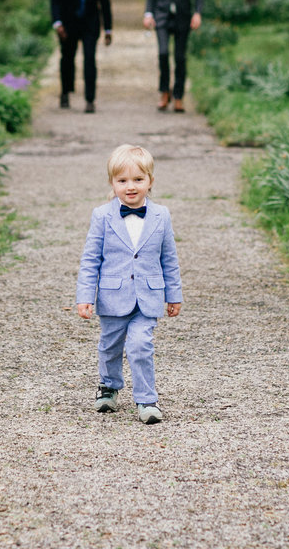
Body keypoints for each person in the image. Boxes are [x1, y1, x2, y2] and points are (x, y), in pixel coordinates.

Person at [76, 144, 182, 424]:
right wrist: (85, 296)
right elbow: (90, 260)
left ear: (150, 181)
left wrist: (174, 295)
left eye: (138, 180)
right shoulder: (102, 215)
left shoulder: (161, 215)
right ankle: (108, 386)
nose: (130, 187)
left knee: (140, 345)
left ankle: (147, 400)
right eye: (122, 181)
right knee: (109, 346)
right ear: (112, 183)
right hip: (112, 297)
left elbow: (169, 259)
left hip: (147, 299)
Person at [143, 0, 204, 113]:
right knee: (162, 53)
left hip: (183, 17)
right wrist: (148, 13)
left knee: (179, 57)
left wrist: (197, 13)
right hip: (162, 14)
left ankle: (178, 96)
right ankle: (164, 92)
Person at [51, 0, 112, 113]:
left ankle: (90, 99)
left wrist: (108, 29)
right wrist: (57, 23)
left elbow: (105, 3)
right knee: (67, 59)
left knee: (90, 60)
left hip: (90, 24)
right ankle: (65, 92)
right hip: (68, 24)